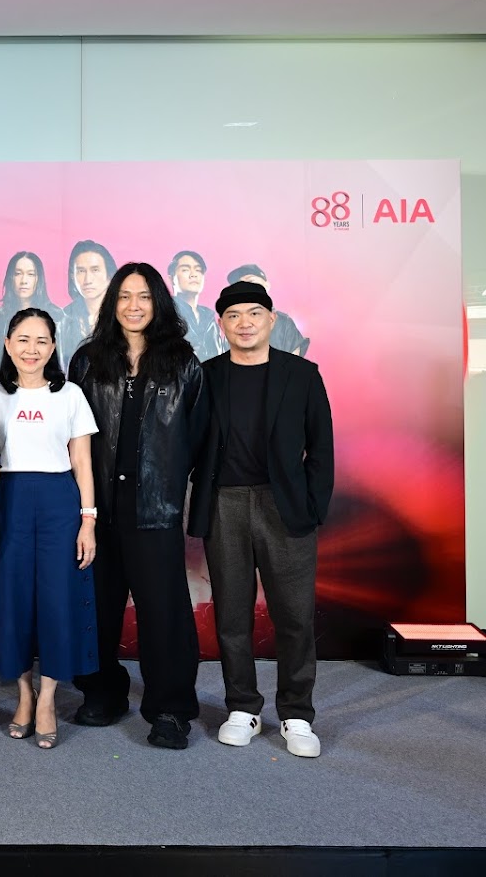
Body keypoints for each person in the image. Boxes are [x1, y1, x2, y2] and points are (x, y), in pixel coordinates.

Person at [189, 281, 334, 758]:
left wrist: (311, 507)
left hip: (284, 506)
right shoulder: (206, 376)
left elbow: (322, 449)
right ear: (221, 325)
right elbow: (189, 443)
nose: (244, 323)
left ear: (271, 319)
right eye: (233, 316)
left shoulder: (302, 375)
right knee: (232, 614)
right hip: (224, 504)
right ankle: (243, 707)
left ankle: (296, 713)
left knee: (294, 615)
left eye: (254, 313)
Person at [68, 263, 208, 750]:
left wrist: (170, 488)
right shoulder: (88, 362)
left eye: (144, 297)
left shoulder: (183, 362)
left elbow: (197, 437)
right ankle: (103, 693)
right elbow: (73, 435)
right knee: (97, 607)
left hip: (154, 510)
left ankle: (170, 709)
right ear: (112, 303)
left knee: (164, 614)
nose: (134, 306)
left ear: (158, 303)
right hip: (97, 510)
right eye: (125, 296)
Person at [0, 308, 99, 750]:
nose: (31, 349)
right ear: (7, 343)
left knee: (57, 601)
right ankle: (24, 694)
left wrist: (88, 520)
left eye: (41, 341)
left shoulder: (70, 395)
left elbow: (82, 461)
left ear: (53, 347)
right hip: (6, 502)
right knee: (11, 600)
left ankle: (48, 697)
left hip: (59, 505)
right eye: (22, 339)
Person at [0, 251, 62, 364]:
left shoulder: (59, 318)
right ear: (10, 278)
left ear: (38, 279)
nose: (24, 281)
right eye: (18, 274)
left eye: (31, 274)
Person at [224, 265, 308, 356]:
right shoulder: (231, 325)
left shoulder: (284, 323)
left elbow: (294, 360)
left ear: (267, 285)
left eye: (251, 282)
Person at [59, 240, 116, 367]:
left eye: (95, 270)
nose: (87, 279)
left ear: (109, 274)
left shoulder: (124, 314)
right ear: (72, 276)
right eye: (81, 271)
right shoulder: (64, 319)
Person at [167, 250, 224, 362]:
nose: (193, 274)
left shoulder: (209, 316)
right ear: (171, 278)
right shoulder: (165, 313)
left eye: (198, 270)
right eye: (185, 269)